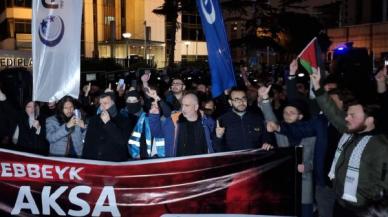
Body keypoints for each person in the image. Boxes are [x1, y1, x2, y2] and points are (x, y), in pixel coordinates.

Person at [310, 68, 388, 217]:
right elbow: (331, 111)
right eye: (347, 114)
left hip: (364, 211)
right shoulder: (350, 131)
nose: (347, 118)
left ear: (370, 119)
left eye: (352, 115)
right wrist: (318, 87)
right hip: (340, 203)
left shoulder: (380, 147)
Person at [82, 92, 131, 162]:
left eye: (105, 103)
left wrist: (108, 123)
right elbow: (88, 143)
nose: (102, 107)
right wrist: (85, 161)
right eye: (100, 104)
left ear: (113, 103)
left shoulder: (124, 120)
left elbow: (123, 141)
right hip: (94, 162)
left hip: (113, 164)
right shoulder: (93, 120)